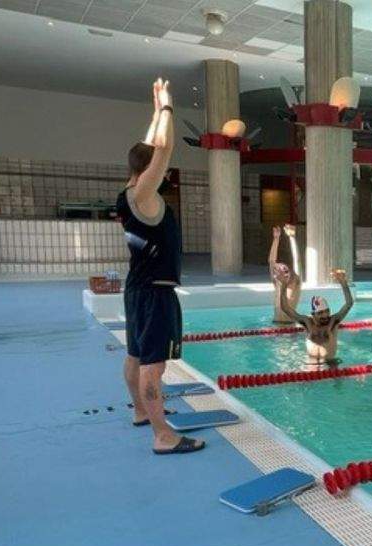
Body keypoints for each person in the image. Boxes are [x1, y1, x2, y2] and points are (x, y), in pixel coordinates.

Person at [121, 78, 204, 455]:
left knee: (136, 354)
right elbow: (163, 148)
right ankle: (163, 436)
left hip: (137, 288)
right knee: (153, 366)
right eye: (159, 167)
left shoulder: (127, 194)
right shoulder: (144, 195)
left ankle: (142, 412)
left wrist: (156, 113)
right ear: (150, 169)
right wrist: (169, 106)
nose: (165, 172)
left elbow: (150, 147)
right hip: (155, 293)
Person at [280, 269, 354, 365]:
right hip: (311, 364)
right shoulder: (307, 322)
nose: (325, 315)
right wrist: (283, 285)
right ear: (313, 314)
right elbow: (285, 308)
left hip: (330, 364)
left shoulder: (333, 321)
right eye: (320, 313)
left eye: (327, 311)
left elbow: (349, 304)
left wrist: (343, 282)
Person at [268, 224, 301, 324]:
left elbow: (297, 261)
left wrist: (292, 237)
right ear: (276, 275)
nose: (284, 274)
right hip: (275, 326)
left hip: (290, 327)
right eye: (281, 271)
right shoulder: (277, 284)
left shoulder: (295, 284)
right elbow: (272, 261)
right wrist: (276, 239)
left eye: (286, 271)